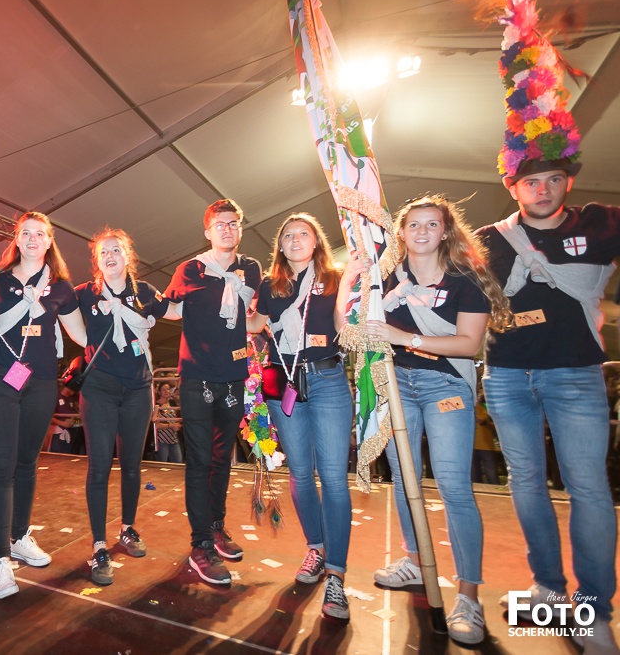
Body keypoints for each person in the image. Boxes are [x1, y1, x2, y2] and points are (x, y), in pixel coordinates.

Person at [351, 195, 511, 646]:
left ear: (445, 231)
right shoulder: (384, 278)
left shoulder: (465, 279)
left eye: (431, 224)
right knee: (405, 479)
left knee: (454, 486)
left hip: (446, 387)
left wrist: (405, 337)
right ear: (401, 233)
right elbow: (354, 322)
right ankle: (416, 561)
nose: (422, 232)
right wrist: (353, 278)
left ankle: (469, 595)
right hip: (396, 384)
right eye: (413, 224)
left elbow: (468, 344)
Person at [478, 162, 620, 649]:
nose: (543, 190)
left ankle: (595, 612)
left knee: (589, 487)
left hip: (575, 373)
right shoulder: (487, 239)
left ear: (569, 182)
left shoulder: (599, 223)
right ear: (512, 187)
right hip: (506, 375)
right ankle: (549, 590)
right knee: (525, 482)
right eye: (531, 182)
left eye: (554, 179)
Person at [0, 211, 86, 599]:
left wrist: (123, 322)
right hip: (0, 380)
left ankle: (19, 536)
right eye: (25, 232)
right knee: (1, 467)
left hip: (40, 383)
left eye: (39, 233)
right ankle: (0, 560)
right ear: (17, 239)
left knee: (27, 463)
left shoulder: (61, 288)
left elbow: (81, 335)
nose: (32, 238)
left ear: (49, 241)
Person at [249, 213, 352, 619]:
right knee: (300, 473)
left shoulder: (334, 278)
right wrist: (235, 304)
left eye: (303, 233)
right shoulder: (269, 284)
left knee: (333, 478)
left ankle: (337, 574)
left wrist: (354, 282)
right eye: (288, 235)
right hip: (281, 380)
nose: (295, 239)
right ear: (280, 245)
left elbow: (344, 326)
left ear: (316, 241)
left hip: (327, 378)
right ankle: (316, 548)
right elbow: (256, 324)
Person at [163, 199, 261, 586]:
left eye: (234, 223)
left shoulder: (250, 268)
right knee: (200, 461)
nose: (228, 229)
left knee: (223, 459)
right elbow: (171, 309)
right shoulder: (191, 268)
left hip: (233, 376)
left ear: (241, 228)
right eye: (220, 224)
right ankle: (200, 543)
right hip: (197, 377)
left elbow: (254, 316)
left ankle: (216, 527)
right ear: (207, 232)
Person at [75, 228, 174, 585]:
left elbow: (177, 309)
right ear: (97, 261)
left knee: (132, 465)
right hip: (99, 388)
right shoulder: (84, 294)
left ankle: (127, 528)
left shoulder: (144, 291)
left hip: (138, 388)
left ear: (127, 256)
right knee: (99, 467)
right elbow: (53, 308)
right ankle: (99, 544)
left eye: (116, 250)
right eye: (104, 252)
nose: (110, 256)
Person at [153, 383, 182, 463]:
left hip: (173, 439)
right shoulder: (157, 406)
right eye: (163, 390)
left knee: (178, 463)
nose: (166, 391)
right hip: (161, 440)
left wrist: (178, 425)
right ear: (159, 392)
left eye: (168, 389)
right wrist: (171, 425)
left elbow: (177, 419)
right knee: (162, 464)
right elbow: (156, 425)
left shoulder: (172, 403)